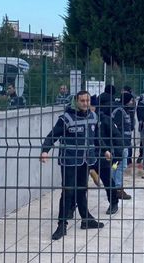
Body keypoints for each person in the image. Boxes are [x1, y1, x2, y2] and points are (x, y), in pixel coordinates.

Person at [40, 91, 116, 240]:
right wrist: (45, 151)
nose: (85, 103)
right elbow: (53, 135)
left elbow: (97, 137)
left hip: (86, 160)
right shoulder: (66, 118)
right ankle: (62, 225)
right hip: (69, 160)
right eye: (82, 101)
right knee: (68, 191)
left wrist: (105, 149)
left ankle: (86, 219)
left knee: (82, 190)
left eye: (87, 100)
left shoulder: (93, 117)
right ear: (76, 101)